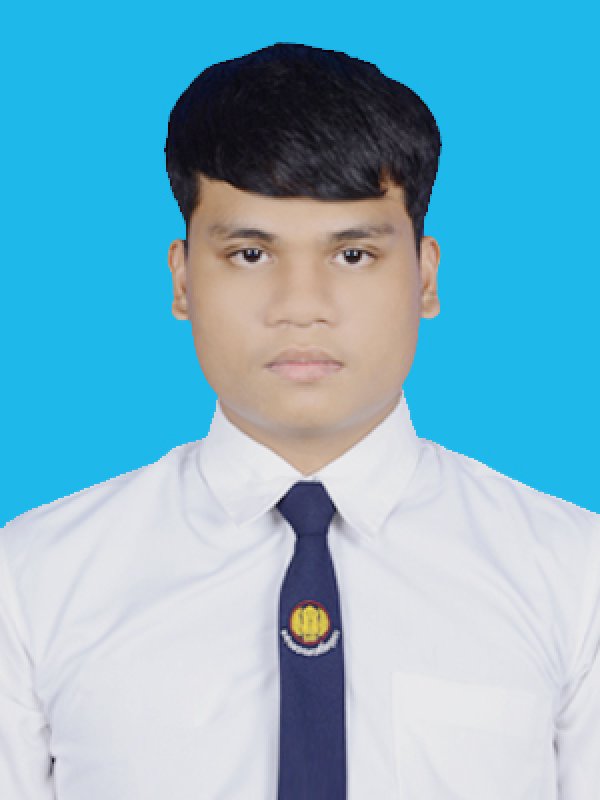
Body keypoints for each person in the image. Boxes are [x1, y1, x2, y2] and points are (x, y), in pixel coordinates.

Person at [0, 42, 598, 800]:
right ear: (183, 280)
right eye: (251, 254)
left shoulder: (574, 575)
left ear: (425, 276)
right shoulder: (32, 580)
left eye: (353, 255)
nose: (301, 306)